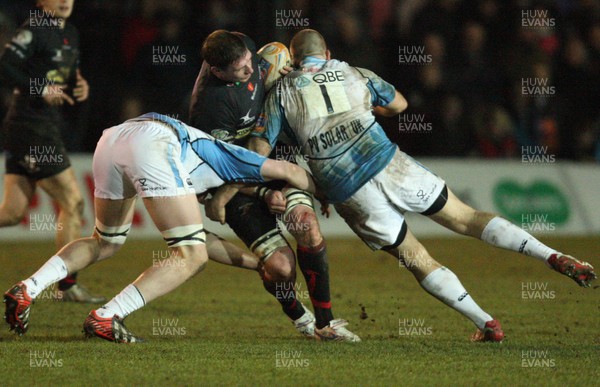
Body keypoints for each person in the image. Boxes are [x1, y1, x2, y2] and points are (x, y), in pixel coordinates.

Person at [245, 29, 597, 342]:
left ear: (293, 59)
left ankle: (487, 322)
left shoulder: (282, 94)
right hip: (389, 162)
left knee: (415, 257)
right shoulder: (353, 71)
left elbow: (259, 153)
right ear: (325, 54)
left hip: (349, 190)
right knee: (466, 218)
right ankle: (551, 255)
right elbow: (399, 103)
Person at [4, 112, 318, 343]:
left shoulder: (200, 166)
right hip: (153, 143)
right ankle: (107, 316)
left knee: (106, 241)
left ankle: (27, 287)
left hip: (112, 139)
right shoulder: (235, 159)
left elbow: (199, 238)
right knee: (191, 257)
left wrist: (257, 264)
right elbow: (288, 170)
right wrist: (330, 194)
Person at [189, 30, 359, 341]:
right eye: (241, 69)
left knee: (306, 225)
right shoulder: (211, 109)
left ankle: (327, 323)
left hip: (272, 161)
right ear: (217, 72)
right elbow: (220, 169)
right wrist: (265, 193)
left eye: (249, 60)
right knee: (281, 268)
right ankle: (299, 316)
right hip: (233, 183)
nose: (250, 68)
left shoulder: (246, 50)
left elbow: (272, 68)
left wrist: (288, 74)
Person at [0, 0, 103, 302]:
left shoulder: (70, 31)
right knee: (73, 202)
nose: (64, 0)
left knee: (12, 213)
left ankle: (65, 287)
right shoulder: (35, 28)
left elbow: (65, 72)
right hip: (31, 126)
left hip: (38, 127)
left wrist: (79, 82)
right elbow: (5, 67)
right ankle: (67, 287)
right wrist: (40, 88)